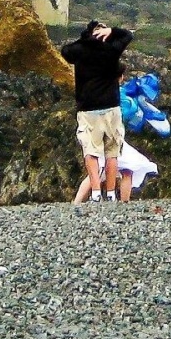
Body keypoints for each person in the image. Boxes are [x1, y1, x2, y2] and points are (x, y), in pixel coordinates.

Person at [62, 20, 134, 205]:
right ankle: (110, 193)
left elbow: (65, 51)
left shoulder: (80, 50)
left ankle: (95, 192)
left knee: (91, 152)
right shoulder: (111, 49)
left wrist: (86, 38)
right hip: (111, 105)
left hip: (88, 107)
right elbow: (127, 35)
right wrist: (112, 31)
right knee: (112, 152)